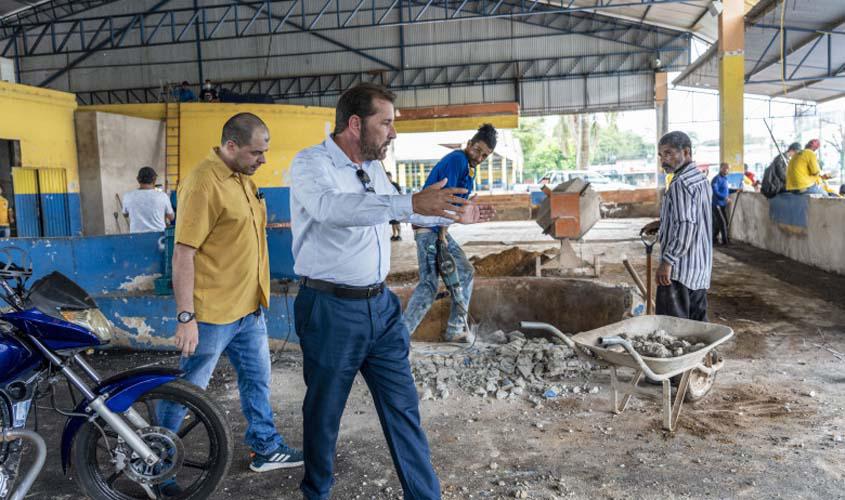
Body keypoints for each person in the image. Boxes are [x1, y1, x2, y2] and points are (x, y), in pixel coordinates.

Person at [289, 82, 494, 500]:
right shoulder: (311, 165)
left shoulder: (375, 169)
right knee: (324, 414)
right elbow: (334, 209)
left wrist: (452, 215)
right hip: (330, 308)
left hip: (380, 308)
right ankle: (316, 493)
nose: (393, 133)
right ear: (354, 123)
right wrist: (410, 204)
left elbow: (399, 211)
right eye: (386, 123)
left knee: (404, 409)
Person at [158, 113, 303, 486]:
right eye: (257, 152)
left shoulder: (242, 178)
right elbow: (183, 254)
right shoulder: (203, 184)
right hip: (211, 315)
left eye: (265, 152)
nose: (263, 160)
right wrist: (186, 316)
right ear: (231, 146)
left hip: (248, 310)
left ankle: (265, 447)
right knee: (187, 391)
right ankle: (157, 463)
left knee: (257, 382)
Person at [404, 123, 497, 343]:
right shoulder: (457, 160)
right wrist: (441, 236)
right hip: (428, 228)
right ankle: (398, 339)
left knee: (464, 272)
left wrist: (444, 234)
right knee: (428, 285)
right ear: (469, 144)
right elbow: (447, 201)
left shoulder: (469, 168)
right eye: (478, 150)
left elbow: (455, 209)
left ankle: (455, 329)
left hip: (438, 228)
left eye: (485, 155)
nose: (480, 157)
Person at [641, 131, 712, 321]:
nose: (664, 160)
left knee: (671, 330)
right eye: (661, 155)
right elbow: (693, 219)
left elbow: (686, 225)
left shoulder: (681, 184)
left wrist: (667, 262)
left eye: (669, 153)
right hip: (699, 269)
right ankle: (703, 352)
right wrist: (663, 224)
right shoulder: (701, 179)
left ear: (686, 152)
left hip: (679, 272)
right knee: (698, 329)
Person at [121, 167, 174, 233]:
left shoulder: (128, 196)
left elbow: (125, 214)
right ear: (154, 180)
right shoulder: (162, 196)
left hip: (136, 238)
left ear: (138, 179)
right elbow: (171, 217)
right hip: (159, 239)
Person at [711, 162, 730, 246]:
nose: (727, 170)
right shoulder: (716, 179)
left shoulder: (725, 179)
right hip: (716, 204)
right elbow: (715, 192)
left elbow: (726, 190)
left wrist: (736, 190)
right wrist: (724, 198)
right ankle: (725, 241)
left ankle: (713, 239)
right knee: (722, 223)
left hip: (723, 204)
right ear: (721, 168)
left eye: (728, 169)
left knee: (721, 223)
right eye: (726, 168)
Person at [386, 171, 403, 241]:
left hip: (396, 205)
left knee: (397, 221)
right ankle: (394, 234)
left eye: (388, 177)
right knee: (393, 222)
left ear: (390, 177)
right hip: (390, 206)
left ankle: (399, 235)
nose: (387, 178)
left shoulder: (395, 185)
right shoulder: (385, 185)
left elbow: (400, 193)